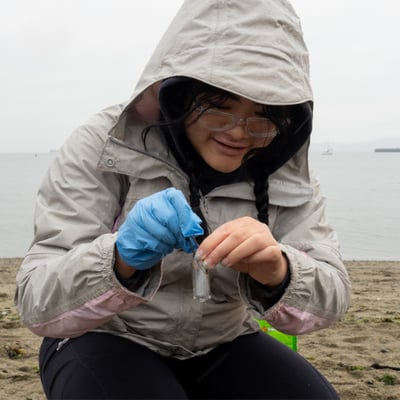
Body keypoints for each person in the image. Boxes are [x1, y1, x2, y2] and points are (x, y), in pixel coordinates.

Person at [15, 0, 351, 399]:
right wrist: (120, 258)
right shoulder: (105, 144)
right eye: (218, 108)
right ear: (177, 95)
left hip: (223, 340)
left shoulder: (283, 167)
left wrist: (278, 271)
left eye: (265, 116)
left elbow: (333, 299)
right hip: (102, 335)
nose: (239, 133)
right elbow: (36, 302)